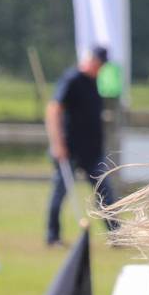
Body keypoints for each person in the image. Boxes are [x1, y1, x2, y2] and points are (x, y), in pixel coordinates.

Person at [44, 46, 118, 246]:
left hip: (92, 151)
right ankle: (52, 236)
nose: (100, 68)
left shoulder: (95, 82)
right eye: (98, 63)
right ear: (90, 60)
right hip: (70, 149)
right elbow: (53, 110)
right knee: (60, 192)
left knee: (105, 192)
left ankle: (116, 235)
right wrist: (57, 144)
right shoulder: (72, 79)